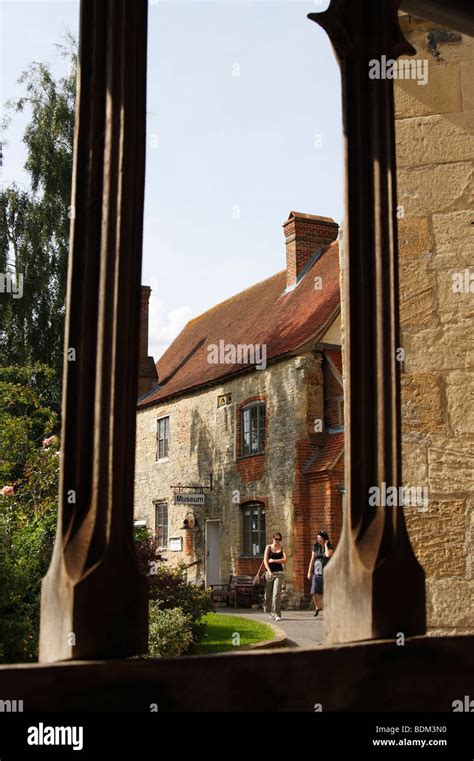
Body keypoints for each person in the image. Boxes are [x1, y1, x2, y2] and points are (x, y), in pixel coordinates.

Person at [307, 530, 334, 617]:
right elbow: (312, 560)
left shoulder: (330, 546)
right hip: (316, 573)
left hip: (327, 573)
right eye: (318, 537)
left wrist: (325, 544)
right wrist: (309, 572)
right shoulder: (315, 546)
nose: (318, 539)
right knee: (314, 592)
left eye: (320, 537)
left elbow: (327, 555)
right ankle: (318, 607)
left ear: (324, 538)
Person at [263, 532, 287, 622]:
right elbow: (265, 561)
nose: (277, 541)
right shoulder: (268, 547)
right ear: (273, 539)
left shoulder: (282, 548)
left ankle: (277, 614)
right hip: (269, 574)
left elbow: (285, 560)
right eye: (276, 539)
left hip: (279, 573)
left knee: (276, 594)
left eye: (279, 539)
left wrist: (273, 560)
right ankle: (270, 612)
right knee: (268, 595)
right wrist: (269, 572)